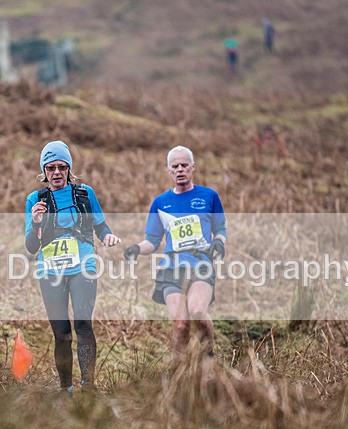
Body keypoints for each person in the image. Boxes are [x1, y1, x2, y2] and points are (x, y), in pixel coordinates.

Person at [24, 140, 121, 391]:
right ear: (44, 171)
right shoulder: (35, 200)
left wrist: (108, 236)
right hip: (50, 271)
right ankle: (65, 388)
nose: (56, 173)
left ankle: (88, 386)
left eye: (62, 167)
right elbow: (31, 247)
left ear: (69, 168)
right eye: (50, 168)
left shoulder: (85, 194)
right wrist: (36, 223)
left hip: (83, 266)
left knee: (83, 323)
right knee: (61, 332)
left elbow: (101, 226)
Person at [123, 146, 227, 357]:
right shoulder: (161, 203)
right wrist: (136, 248)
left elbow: (220, 229)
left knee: (197, 312)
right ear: (169, 170)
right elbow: (152, 241)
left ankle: (209, 357)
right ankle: (180, 370)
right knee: (180, 326)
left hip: (201, 265)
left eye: (184, 165)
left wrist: (219, 242)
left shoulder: (209, 196)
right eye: (175, 166)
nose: (180, 169)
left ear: (193, 167)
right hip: (171, 269)